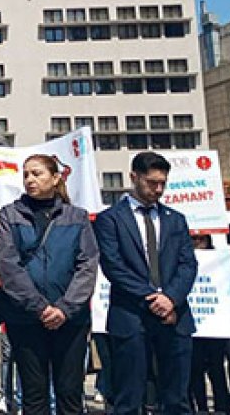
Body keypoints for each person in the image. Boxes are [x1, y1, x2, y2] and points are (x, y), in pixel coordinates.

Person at [0, 154, 98, 415]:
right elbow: (8, 265)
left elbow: (87, 265)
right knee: (34, 395)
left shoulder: (77, 217)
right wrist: (40, 307)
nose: (29, 179)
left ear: (55, 177)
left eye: (37, 173)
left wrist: (64, 308)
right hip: (25, 319)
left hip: (70, 321)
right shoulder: (9, 215)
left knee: (70, 393)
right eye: (26, 174)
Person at [94, 151, 197, 415]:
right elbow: (114, 266)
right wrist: (152, 297)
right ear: (134, 177)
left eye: (163, 183)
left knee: (177, 396)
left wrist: (171, 298)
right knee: (129, 397)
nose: (158, 189)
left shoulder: (175, 219)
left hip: (174, 315)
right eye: (152, 183)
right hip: (131, 316)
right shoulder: (110, 220)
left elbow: (188, 264)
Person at [188, 234, 230, 415]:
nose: (197, 242)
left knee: (216, 367)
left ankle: (222, 404)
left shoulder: (219, 259)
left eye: (201, 238)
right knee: (195, 368)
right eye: (193, 238)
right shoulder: (181, 256)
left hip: (215, 324)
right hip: (191, 323)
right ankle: (200, 406)